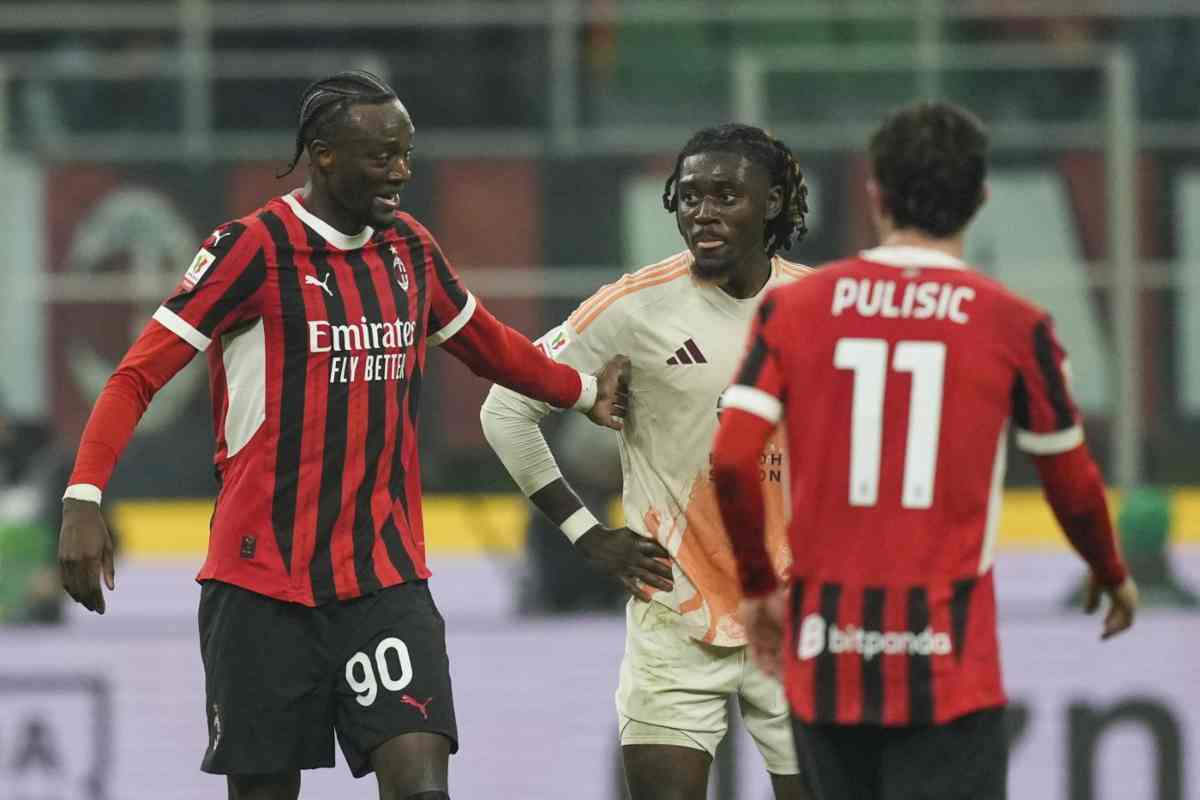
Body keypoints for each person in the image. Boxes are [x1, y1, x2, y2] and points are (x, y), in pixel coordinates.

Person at [56, 70, 630, 800]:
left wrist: (584, 393)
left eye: (406, 153)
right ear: (322, 156)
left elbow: (490, 347)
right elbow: (133, 377)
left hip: (384, 579)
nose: (400, 172)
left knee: (422, 785)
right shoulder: (252, 250)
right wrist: (83, 498)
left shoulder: (409, 250)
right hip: (262, 586)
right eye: (381, 156)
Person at [710, 101, 1138, 800]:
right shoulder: (1015, 323)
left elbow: (731, 459)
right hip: (948, 669)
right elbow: (1072, 479)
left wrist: (758, 589)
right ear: (981, 199)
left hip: (824, 657)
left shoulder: (796, 308)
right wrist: (1109, 568)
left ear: (875, 193)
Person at [481, 124, 813, 800]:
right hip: (675, 619)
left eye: (726, 195)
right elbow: (504, 409)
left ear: (773, 202)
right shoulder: (633, 308)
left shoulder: (821, 308)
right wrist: (586, 534)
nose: (704, 213)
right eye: (689, 197)